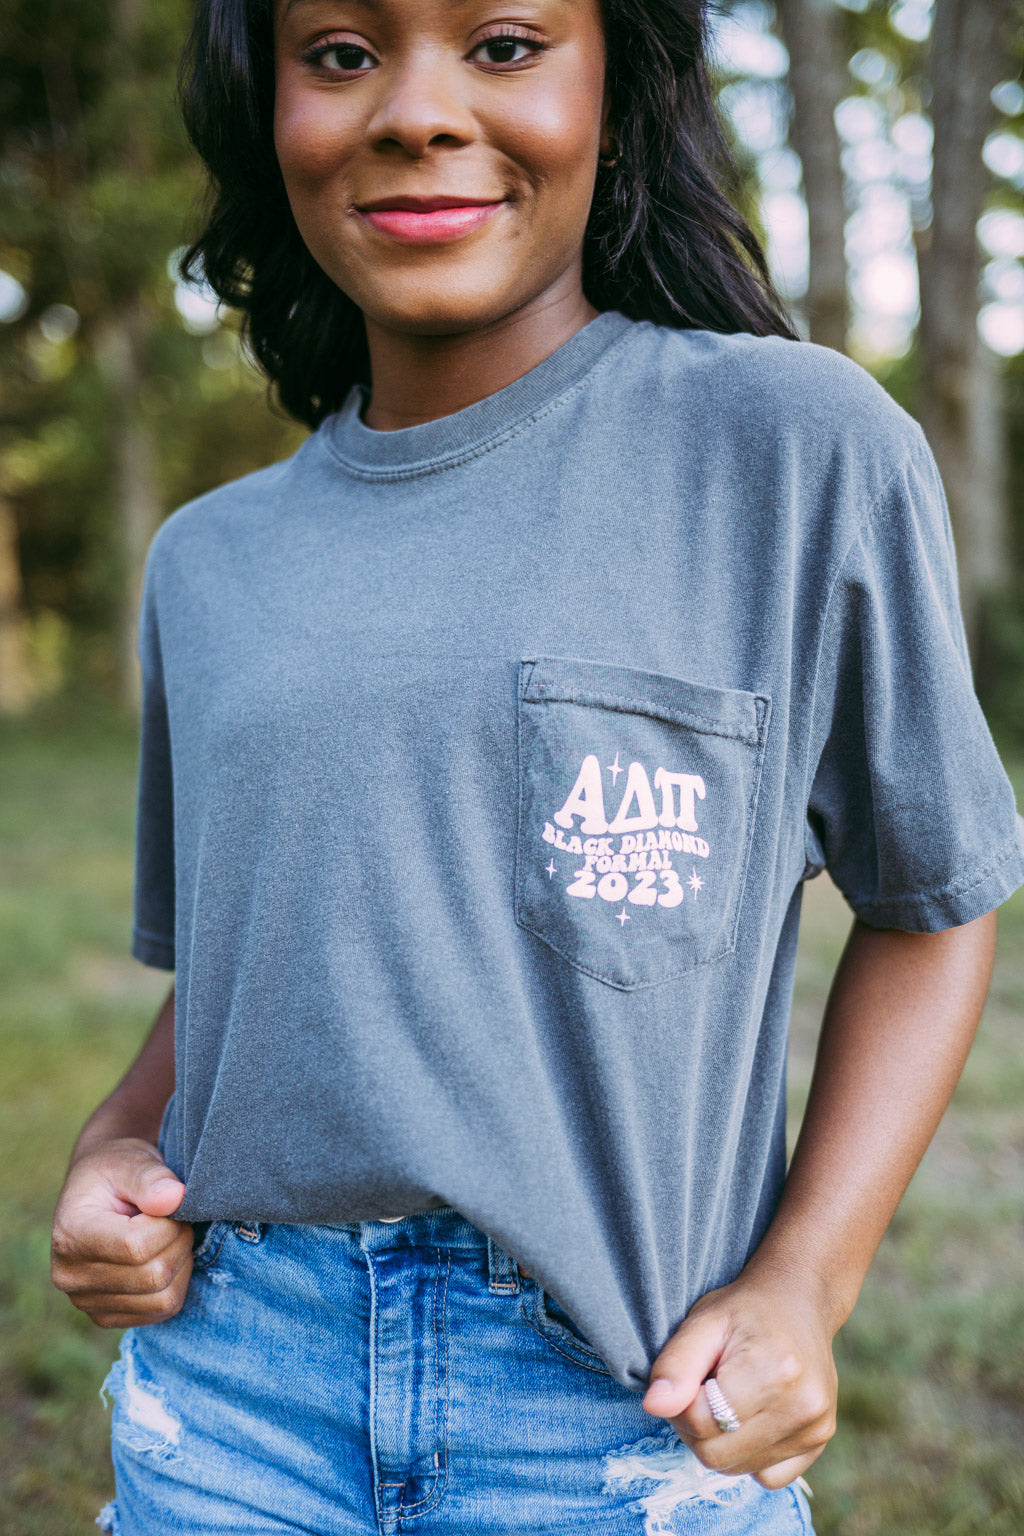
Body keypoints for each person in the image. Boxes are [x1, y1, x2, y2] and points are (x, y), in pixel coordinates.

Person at [50, 0, 1024, 1530]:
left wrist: (803, 1282)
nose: (416, 111)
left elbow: (935, 902)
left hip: (620, 1415)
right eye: (342, 53)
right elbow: (236, 980)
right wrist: (114, 1143)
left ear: (618, 96)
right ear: (268, 110)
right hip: (235, 1407)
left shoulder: (793, 450)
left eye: (503, 44)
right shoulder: (208, 563)